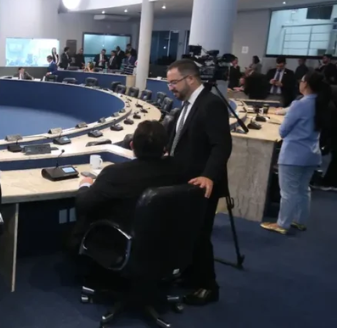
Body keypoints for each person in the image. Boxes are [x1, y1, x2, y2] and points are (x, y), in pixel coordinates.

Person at [165, 59, 232, 306]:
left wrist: (208, 175)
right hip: (185, 182)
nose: (170, 87)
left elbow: (222, 145)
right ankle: (190, 274)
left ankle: (208, 286)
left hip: (202, 184)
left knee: (200, 234)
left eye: (174, 82)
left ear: (190, 79)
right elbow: (181, 138)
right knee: (187, 233)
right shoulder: (187, 104)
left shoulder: (211, 104)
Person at [69, 121, 187, 251]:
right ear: (164, 148)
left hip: (118, 243)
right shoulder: (179, 169)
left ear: (132, 145)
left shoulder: (114, 173)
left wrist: (85, 184)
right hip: (163, 242)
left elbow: (82, 204)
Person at [261, 72, 329, 235]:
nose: (300, 83)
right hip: (311, 154)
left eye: (302, 81)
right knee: (303, 189)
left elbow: (283, 131)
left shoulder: (300, 104)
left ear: (306, 84)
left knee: (288, 191)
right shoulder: (321, 103)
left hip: (294, 154)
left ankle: (282, 224)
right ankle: (299, 221)